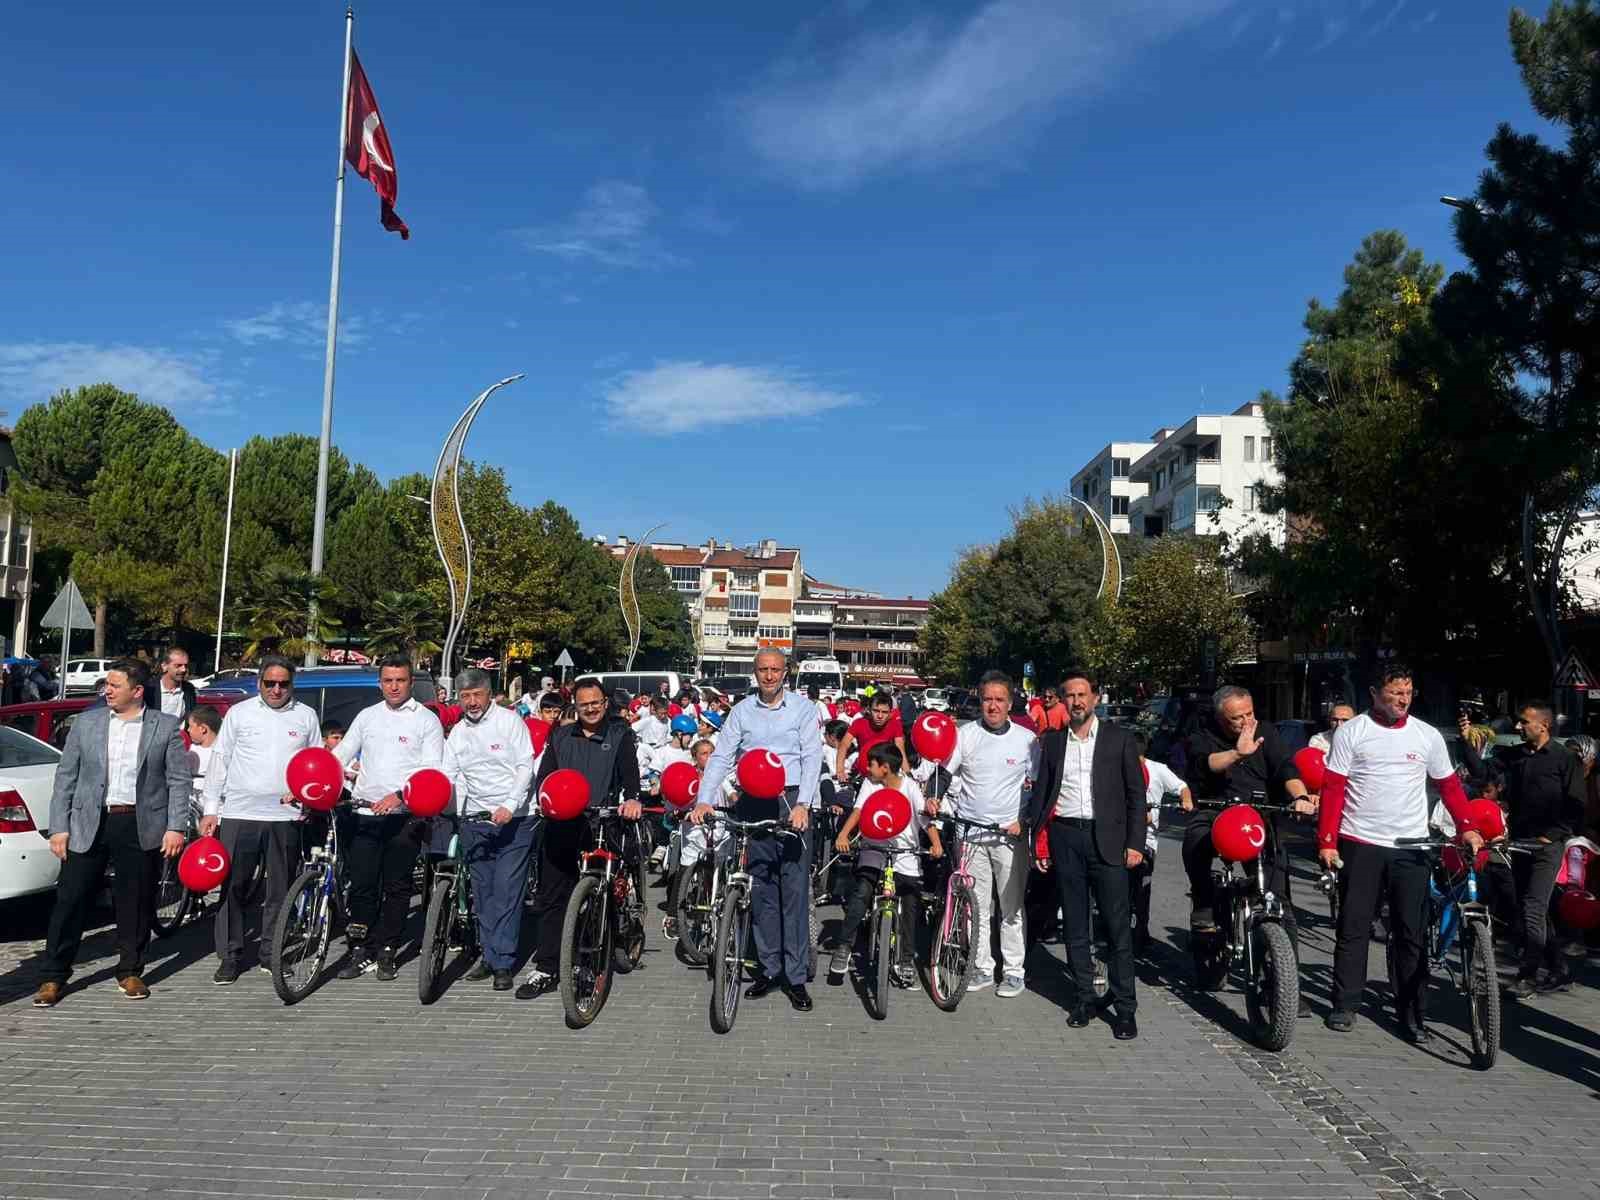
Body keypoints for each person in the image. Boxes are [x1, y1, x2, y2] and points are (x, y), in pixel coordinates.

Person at [1317, 663, 1481, 1040]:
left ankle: (1412, 1012)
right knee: (1354, 926)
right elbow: (1333, 789)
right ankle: (1345, 1004)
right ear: (1375, 693)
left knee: (1412, 932)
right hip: (1361, 842)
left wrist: (1468, 828)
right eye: (1394, 692)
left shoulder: (1426, 736)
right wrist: (1327, 841)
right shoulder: (1353, 732)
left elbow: (1450, 787)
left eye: (1408, 692)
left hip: (1411, 846)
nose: (1402, 699)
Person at [34, 659, 190, 1007]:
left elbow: (178, 781)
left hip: (138, 821)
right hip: (90, 821)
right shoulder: (87, 724)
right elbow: (66, 779)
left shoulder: (163, 726)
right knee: (71, 898)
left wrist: (176, 827)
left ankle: (130, 969)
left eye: (114, 685)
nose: (107, 690)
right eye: (107, 684)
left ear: (136, 691)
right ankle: (53, 975)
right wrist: (59, 827)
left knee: (135, 899)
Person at [691, 648, 822, 1011]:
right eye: (763, 670)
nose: (769, 676)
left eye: (775, 670)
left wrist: (804, 804)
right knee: (761, 890)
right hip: (753, 800)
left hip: (791, 800)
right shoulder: (742, 711)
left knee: (793, 892)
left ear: (785, 672)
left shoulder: (802, 709)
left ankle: (795, 978)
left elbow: (812, 757)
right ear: (755, 673)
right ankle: (768, 968)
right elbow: (720, 757)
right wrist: (703, 799)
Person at [1029, 669, 1144, 1039]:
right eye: (1070, 696)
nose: (1076, 702)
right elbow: (1043, 795)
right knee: (1075, 925)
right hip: (1066, 837)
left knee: (1115, 926)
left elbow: (1135, 797)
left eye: (1082, 695)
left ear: (1094, 698)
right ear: (1063, 701)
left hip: (1107, 839)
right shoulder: (1052, 743)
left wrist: (1135, 843)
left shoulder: (1119, 739)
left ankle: (1125, 1007)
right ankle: (1083, 998)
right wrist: (1038, 842)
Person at [518, 676, 644, 999]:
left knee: (596, 896)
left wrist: (631, 799)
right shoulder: (560, 736)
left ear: (605, 703)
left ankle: (588, 963)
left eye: (596, 703)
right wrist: (543, 801)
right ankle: (547, 967)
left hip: (603, 821)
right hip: (563, 821)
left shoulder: (619, 734)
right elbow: (545, 776)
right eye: (584, 703)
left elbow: (630, 774)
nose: (590, 709)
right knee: (552, 895)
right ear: (575, 705)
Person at [198, 655, 322, 983]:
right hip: (239, 813)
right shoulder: (240, 714)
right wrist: (212, 808)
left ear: (292, 684)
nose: (277, 689)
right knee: (233, 887)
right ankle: (230, 955)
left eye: (284, 683)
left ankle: (271, 953)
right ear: (259, 684)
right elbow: (220, 761)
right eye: (271, 683)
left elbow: (316, 761)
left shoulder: (306, 715)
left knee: (279, 889)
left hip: (286, 817)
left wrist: (307, 797)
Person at [332, 655, 445, 982]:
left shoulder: (426, 720)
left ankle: (387, 950)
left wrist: (399, 796)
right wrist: (331, 780)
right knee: (363, 885)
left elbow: (432, 771)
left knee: (396, 887)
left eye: (400, 680)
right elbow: (341, 754)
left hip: (404, 816)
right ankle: (360, 948)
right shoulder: (367, 717)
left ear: (411, 683)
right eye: (388, 680)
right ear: (380, 683)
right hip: (365, 814)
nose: (393, 686)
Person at [1181, 686, 1315, 957]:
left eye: (1249, 714)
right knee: (1195, 840)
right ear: (1220, 718)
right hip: (1216, 811)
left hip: (1257, 813)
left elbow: (1284, 767)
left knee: (1278, 895)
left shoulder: (1265, 731)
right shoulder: (1202, 733)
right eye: (1237, 718)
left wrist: (1301, 796)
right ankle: (1204, 902)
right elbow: (1206, 763)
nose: (1246, 722)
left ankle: (1288, 978)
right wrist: (1238, 754)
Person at [942, 670, 1038, 998]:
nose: (993, 706)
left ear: (1010, 703)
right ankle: (982, 966)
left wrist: (1023, 821)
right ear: (979, 701)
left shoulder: (1027, 740)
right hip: (970, 834)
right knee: (976, 906)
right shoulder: (965, 734)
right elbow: (945, 772)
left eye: (999, 700)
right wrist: (933, 796)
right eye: (987, 700)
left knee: (1010, 908)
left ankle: (1013, 971)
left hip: (1008, 837)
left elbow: (1039, 789)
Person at [442, 668, 536, 991]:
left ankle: (504, 962)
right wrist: (450, 809)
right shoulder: (457, 732)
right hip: (476, 820)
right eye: (464, 696)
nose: (471, 702)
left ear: (488, 693)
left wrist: (510, 804)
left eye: (476, 695)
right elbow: (450, 773)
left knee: (506, 889)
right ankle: (489, 954)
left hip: (515, 818)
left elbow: (525, 765)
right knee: (483, 894)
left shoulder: (510, 723)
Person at [828, 742, 942, 987]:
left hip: (905, 853)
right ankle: (844, 948)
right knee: (861, 894)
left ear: (886, 768)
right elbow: (859, 811)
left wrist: (936, 844)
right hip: (874, 847)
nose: (868, 768)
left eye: (872, 764)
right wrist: (843, 835)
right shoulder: (870, 784)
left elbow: (924, 820)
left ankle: (905, 959)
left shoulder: (910, 786)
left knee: (911, 902)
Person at [1500, 700, 1586, 997]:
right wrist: (1469, 740)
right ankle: (1559, 968)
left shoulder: (1564, 759)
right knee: (1533, 907)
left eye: (1524, 721)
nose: (1519, 727)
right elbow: (1483, 772)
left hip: (1547, 846)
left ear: (1543, 725)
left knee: (1533, 908)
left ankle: (1528, 975)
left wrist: (1554, 835)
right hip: (1520, 842)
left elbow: (1577, 804)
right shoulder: (1518, 756)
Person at [1131, 731, 1188, 953]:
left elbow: (1181, 787)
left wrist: (1186, 799)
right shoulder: (1115, 767)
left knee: (1143, 886)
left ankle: (1141, 928)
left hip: (1146, 839)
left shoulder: (1158, 770)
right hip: (1119, 835)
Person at [834, 692, 906, 783]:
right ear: (869, 709)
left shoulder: (895, 725)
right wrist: (840, 770)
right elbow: (844, 745)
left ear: (891, 713)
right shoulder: (859, 723)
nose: (880, 716)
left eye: (884, 712)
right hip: (864, 770)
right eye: (876, 711)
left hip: (886, 772)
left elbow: (901, 750)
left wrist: (907, 773)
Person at [185, 704, 223, 806]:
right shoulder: (191, 751)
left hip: (218, 812)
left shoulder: (223, 753)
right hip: (193, 812)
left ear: (203, 729)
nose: (188, 730)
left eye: (191, 726)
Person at [144, 647, 197, 721]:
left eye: (186, 666)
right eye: (178, 665)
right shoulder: (149, 689)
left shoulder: (188, 689)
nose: (184, 669)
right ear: (164, 666)